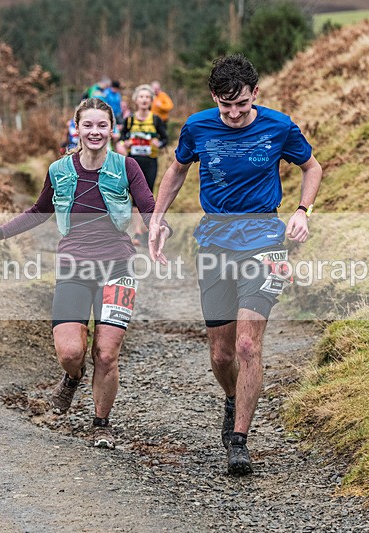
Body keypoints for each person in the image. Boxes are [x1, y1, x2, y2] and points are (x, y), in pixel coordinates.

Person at [147, 54, 322, 476]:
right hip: (214, 243)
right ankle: (232, 398)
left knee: (247, 345)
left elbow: (311, 167)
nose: (235, 114)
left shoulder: (279, 126)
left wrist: (303, 210)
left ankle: (240, 441)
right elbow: (176, 171)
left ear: (254, 94)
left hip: (264, 240)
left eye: (242, 104)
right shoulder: (197, 127)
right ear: (214, 99)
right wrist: (157, 216)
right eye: (226, 107)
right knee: (221, 354)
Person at [0, 98, 171, 449]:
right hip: (74, 267)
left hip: (118, 267)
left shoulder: (127, 167)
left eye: (101, 126)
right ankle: (72, 378)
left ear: (111, 129)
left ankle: (101, 424)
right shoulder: (59, 170)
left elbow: (149, 206)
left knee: (106, 353)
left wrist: (159, 228)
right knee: (70, 353)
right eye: (87, 125)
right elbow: (39, 211)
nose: (95, 132)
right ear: (76, 128)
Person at [117, 84, 168, 244]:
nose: (144, 100)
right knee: (133, 197)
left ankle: (146, 229)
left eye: (147, 97)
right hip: (133, 162)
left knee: (147, 196)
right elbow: (122, 137)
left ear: (151, 100)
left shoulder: (155, 119)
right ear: (136, 100)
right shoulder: (130, 120)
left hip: (150, 162)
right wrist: (125, 143)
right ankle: (137, 232)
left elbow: (165, 139)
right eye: (141, 97)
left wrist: (158, 143)